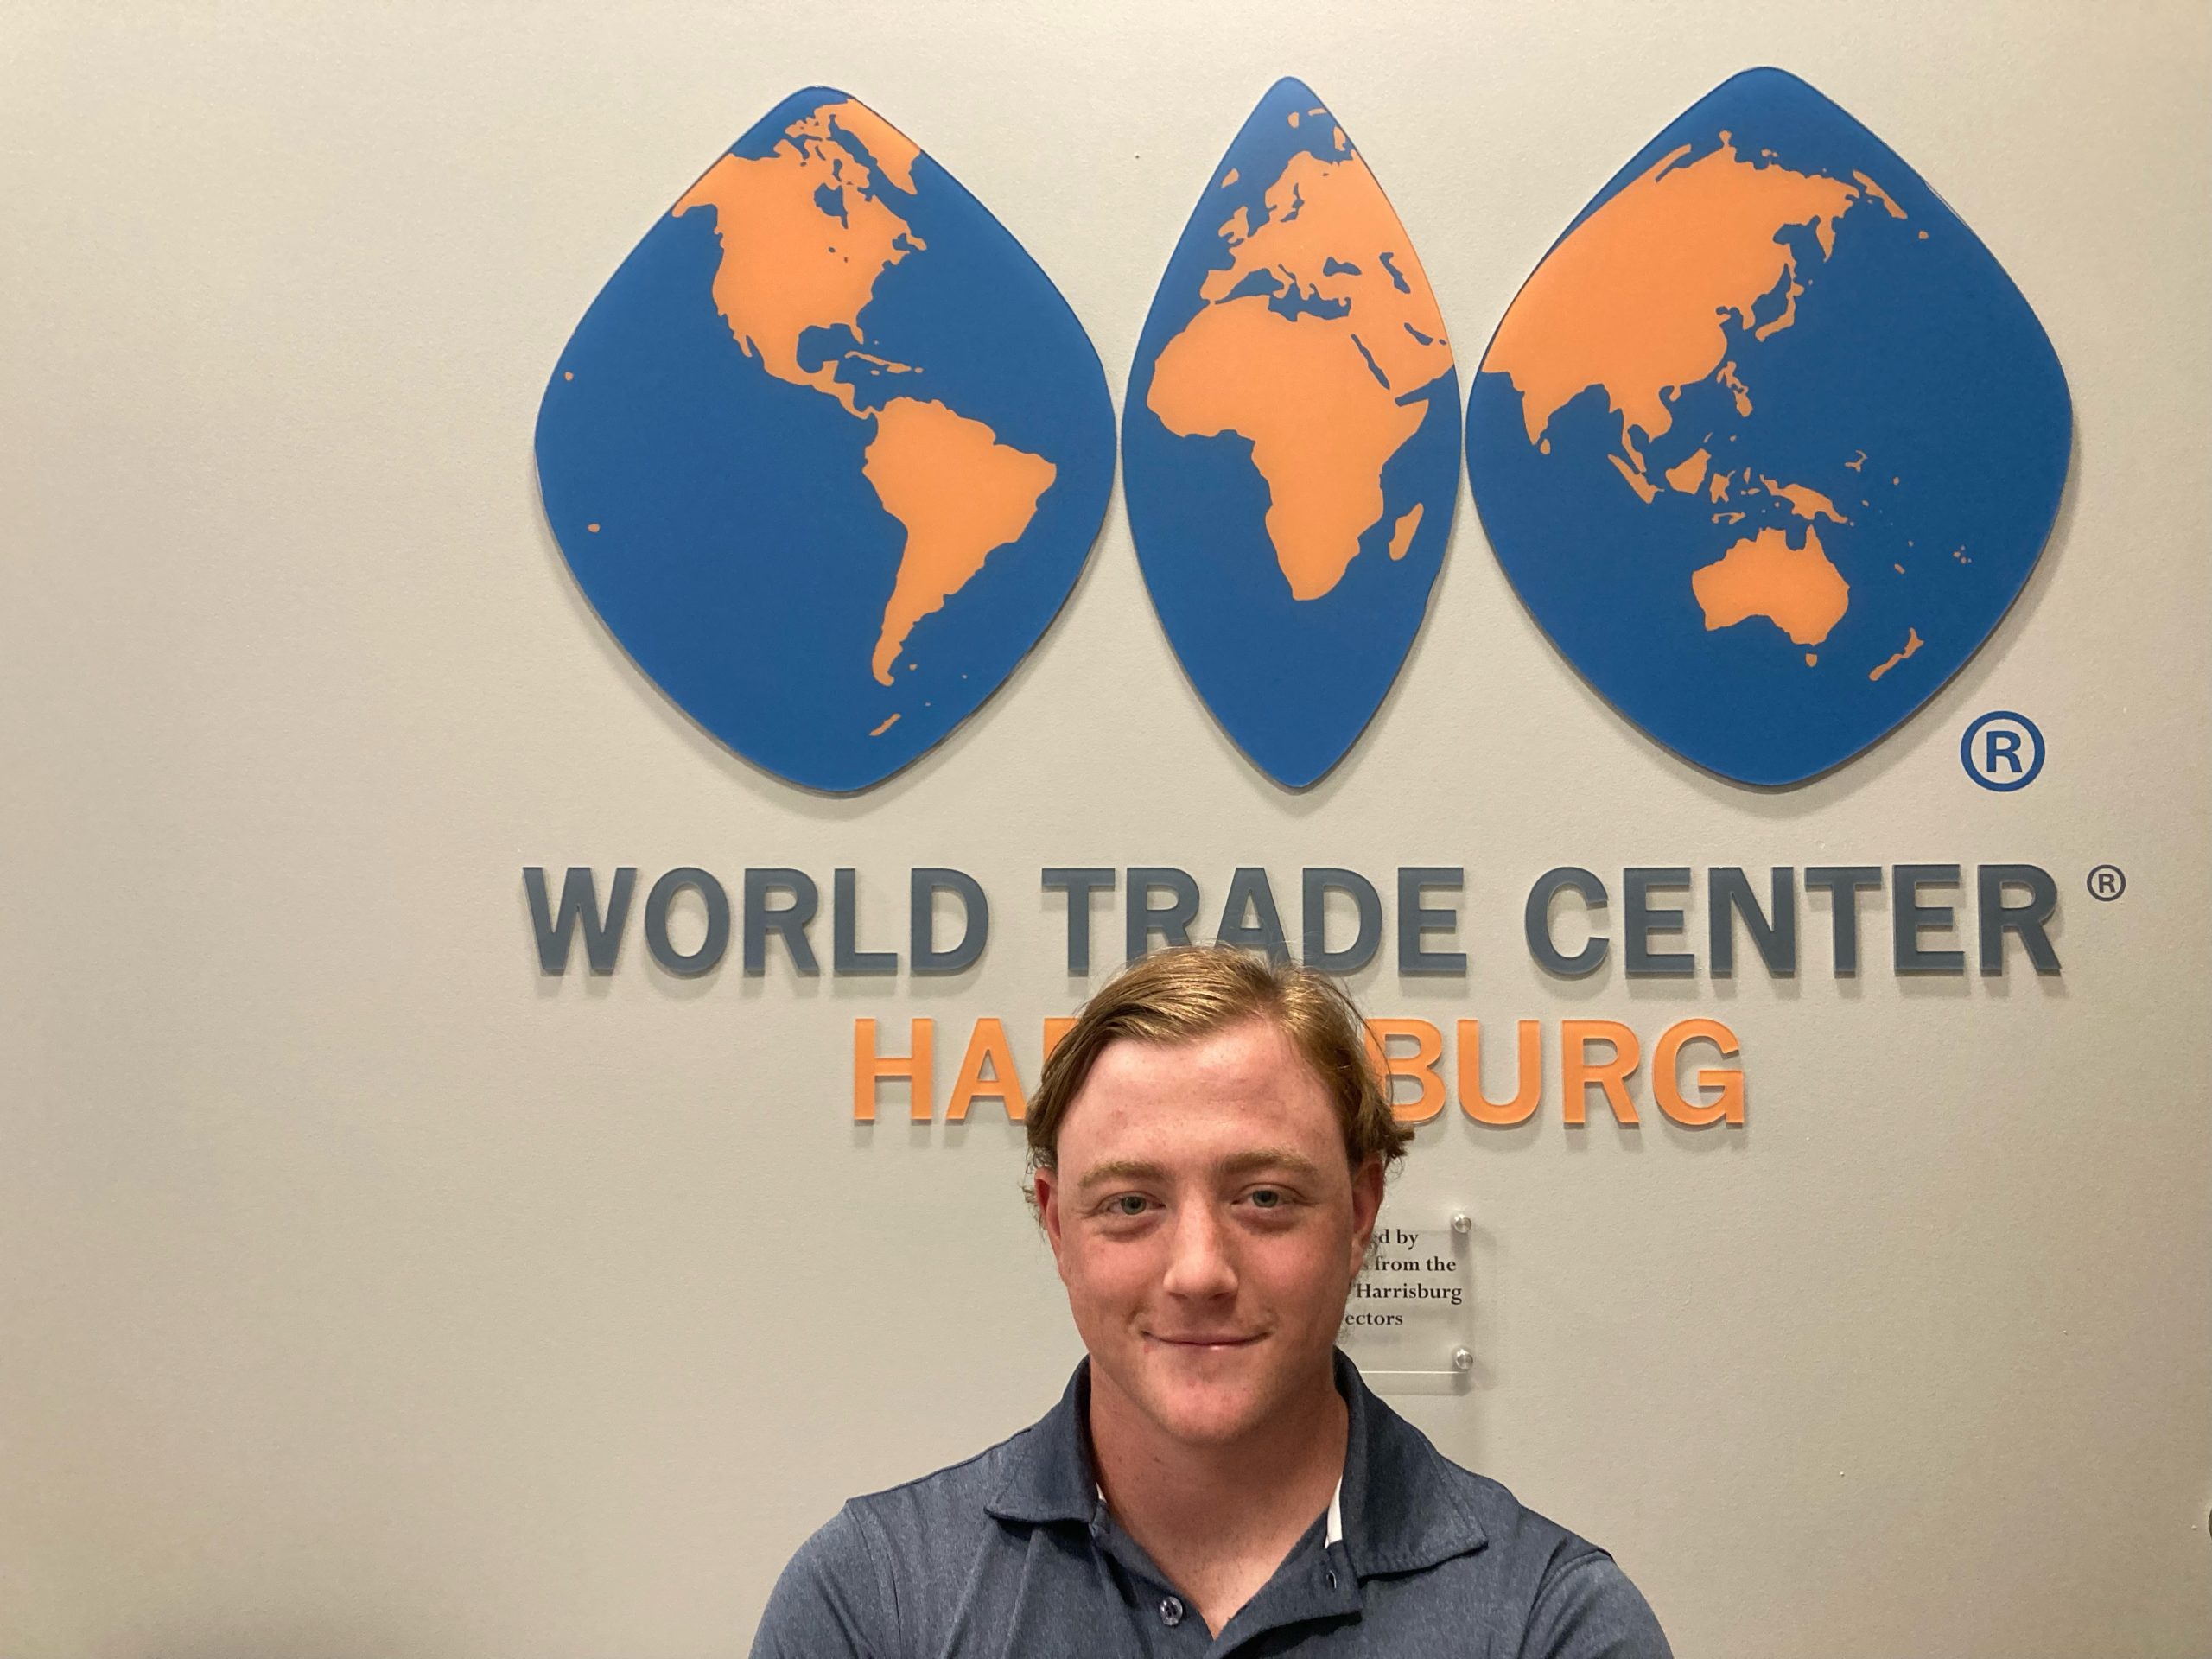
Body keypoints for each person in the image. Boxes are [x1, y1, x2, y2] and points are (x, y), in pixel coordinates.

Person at [751, 945, 1671, 1656]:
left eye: (1264, 1197)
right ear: (1057, 1226)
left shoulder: (1551, 1624)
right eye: (1131, 1205)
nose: (1198, 1273)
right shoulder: (873, 1602)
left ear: (1359, 1216)